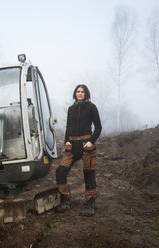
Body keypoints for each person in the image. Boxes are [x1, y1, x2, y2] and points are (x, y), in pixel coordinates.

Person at [55, 84, 102, 216]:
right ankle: (65, 200)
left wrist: (91, 142)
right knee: (60, 171)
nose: (80, 93)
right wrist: (66, 141)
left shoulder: (92, 107)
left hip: (86, 144)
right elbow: (68, 126)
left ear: (86, 93)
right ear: (75, 93)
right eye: (78, 91)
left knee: (89, 174)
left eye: (82, 91)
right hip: (72, 145)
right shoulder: (71, 109)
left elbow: (98, 127)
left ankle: (90, 204)